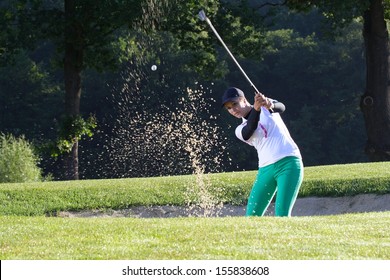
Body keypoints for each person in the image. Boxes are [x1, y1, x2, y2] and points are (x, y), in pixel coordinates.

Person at [222, 87, 303, 217]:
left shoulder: (265, 107)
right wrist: (256, 108)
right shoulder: (240, 129)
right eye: (229, 108)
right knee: (252, 216)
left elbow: (281, 107)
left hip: (289, 162)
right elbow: (250, 128)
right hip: (265, 169)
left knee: (282, 213)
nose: (233, 110)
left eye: (235, 104)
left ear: (243, 100)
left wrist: (269, 104)